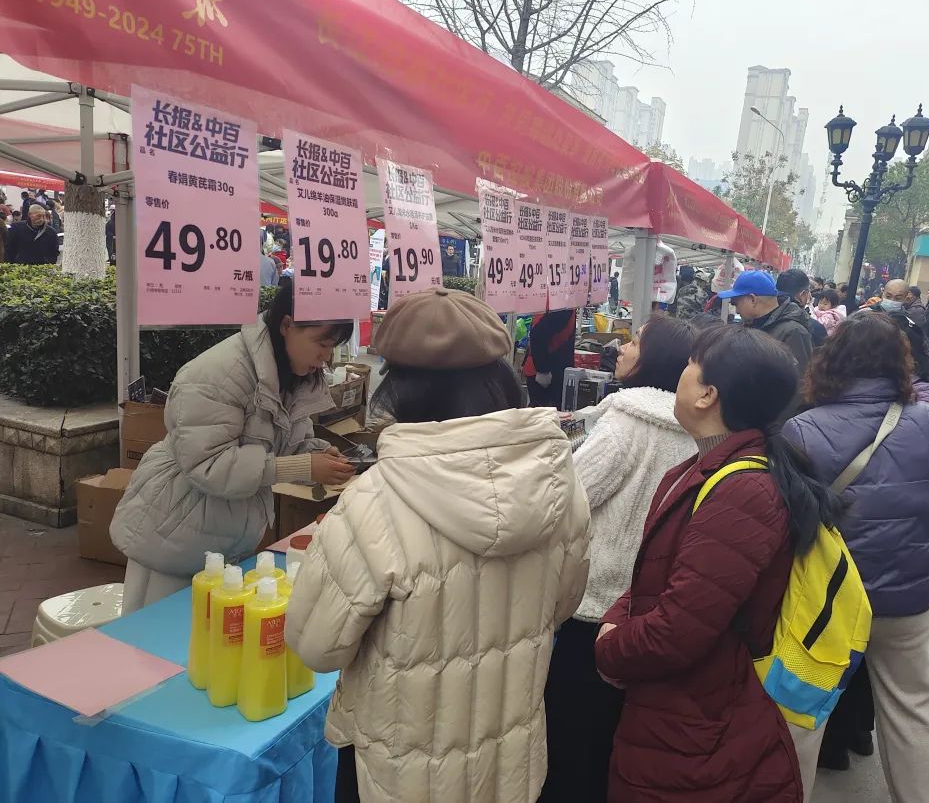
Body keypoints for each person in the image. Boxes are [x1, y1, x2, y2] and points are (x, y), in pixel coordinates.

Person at [285, 287, 591, 803]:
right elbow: (563, 604)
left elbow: (317, 645)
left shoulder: (374, 501)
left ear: (400, 390)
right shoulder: (561, 484)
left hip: (401, 773)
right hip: (509, 762)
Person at [595, 323, 844, 803]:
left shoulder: (743, 492)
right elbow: (659, 577)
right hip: (680, 707)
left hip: (699, 720)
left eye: (692, 364)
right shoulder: (704, 467)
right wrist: (618, 617)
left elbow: (680, 630)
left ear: (708, 395)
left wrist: (609, 648)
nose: (682, 372)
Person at [784, 312, 929, 802]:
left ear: (830, 361)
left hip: (825, 603)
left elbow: (783, 524)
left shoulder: (801, 430)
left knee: (802, 711)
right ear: (901, 363)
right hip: (906, 599)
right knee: (910, 711)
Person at [110, 278, 355, 612]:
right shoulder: (218, 373)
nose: (326, 358)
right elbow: (210, 465)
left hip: (225, 535)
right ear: (287, 325)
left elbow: (288, 443)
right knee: (154, 633)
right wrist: (304, 466)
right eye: (321, 343)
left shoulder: (293, 376)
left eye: (333, 347)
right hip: (173, 528)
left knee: (210, 634)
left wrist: (317, 456)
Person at [541, 316, 696, 802]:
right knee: (614, 734)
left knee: (570, 734)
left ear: (656, 359)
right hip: (646, 606)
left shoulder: (626, 423)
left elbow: (567, 499)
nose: (622, 349)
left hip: (592, 605)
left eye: (635, 343)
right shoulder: (694, 430)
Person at [716, 269, 814, 381]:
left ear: (753, 299)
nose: (736, 311)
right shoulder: (749, 324)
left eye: (736, 304)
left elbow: (799, 382)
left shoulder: (793, 332)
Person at [524, 308, 576, 408]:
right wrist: (543, 371)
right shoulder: (562, 307)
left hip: (547, 370)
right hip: (548, 374)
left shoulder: (562, 305)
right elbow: (537, 335)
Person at [777, 268, 827, 347]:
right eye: (808, 292)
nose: (810, 296)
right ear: (803, 294)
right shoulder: (814, 328)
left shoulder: (761, 314)